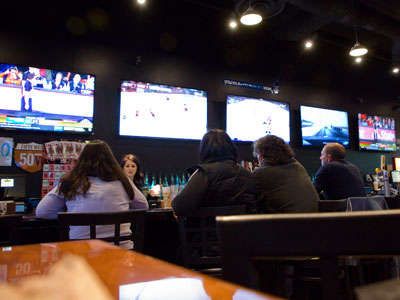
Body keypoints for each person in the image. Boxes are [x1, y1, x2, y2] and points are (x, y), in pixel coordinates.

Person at [36, 140, 149, 249]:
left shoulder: (70, 182)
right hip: (122, 256)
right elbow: (143, 206)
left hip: (80, 258)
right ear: (111, 161)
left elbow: (42, 211)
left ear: (82, 161)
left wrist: (71, 213)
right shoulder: (123, 182)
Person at [172, 129, 256, 216]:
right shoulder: (248, 175)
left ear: (204, 150)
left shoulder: (204, 174)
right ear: (231, 148)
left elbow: (179, 207)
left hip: (207, 228)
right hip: (241, 228)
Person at [252, 135, 319, 213]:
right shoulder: (297, 165)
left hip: (290, 223)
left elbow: (251, 201)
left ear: (261, 156)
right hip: (316, 222)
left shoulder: (262, 173)